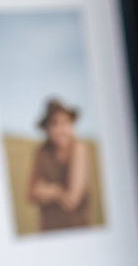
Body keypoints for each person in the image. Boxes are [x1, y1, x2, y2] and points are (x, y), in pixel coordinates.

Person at [27, 98, 90, 231]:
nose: (61, 130)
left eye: (65, 123)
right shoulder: (41, 152)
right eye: (54, 124)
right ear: (47, 129)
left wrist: (53, 191)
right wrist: (61, 194)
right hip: (48, 228)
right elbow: (30, 193)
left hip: (76, 227)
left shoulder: (78, 148)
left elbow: (72, 200)